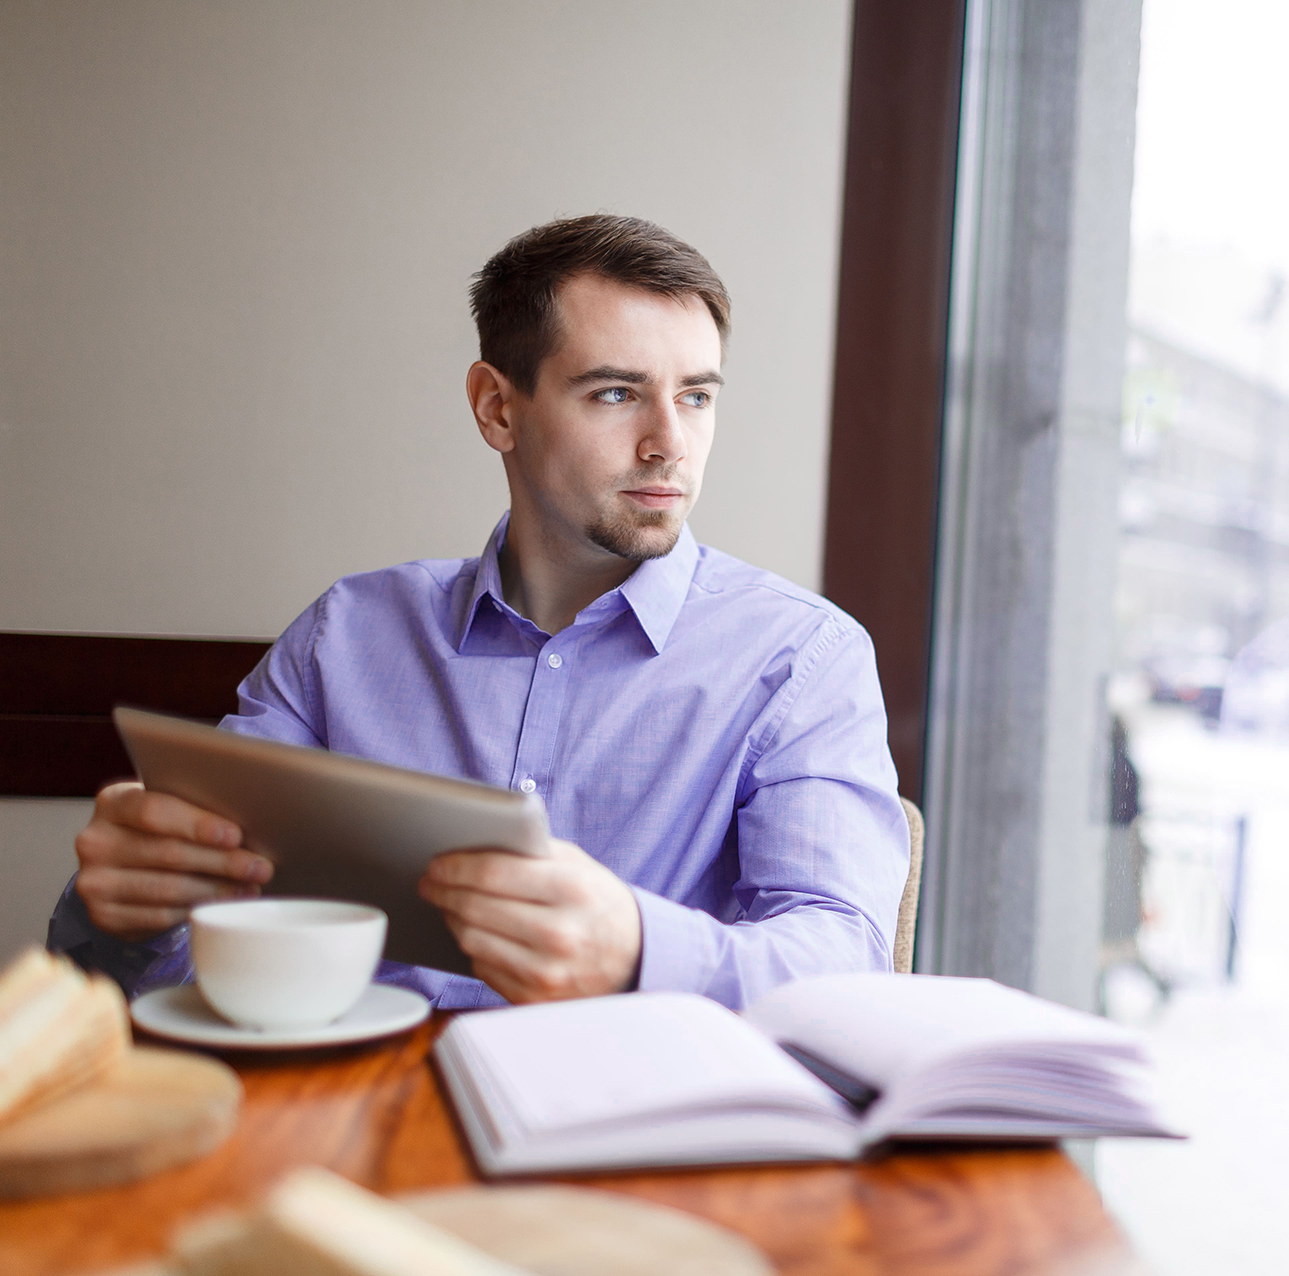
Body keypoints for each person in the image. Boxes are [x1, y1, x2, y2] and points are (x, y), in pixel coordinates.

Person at [47, 215, 910, 1011]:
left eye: (695, 395)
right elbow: (202, 954)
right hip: (358, 1128)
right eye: (616, 393)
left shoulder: (803, 658)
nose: (669, 442)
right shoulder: (342, 638)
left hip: (643, 1148)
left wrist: (640, 949)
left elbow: (842, 964)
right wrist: (135, 912)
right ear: (499, 408)